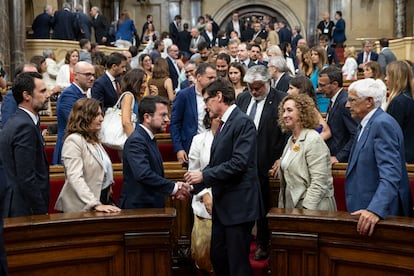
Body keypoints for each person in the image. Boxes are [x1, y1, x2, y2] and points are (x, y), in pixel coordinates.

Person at [184, 78, 262, 276]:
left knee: (237, 265)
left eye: (207, 100)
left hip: (238, 206)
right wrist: (192, 187)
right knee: (218, 257)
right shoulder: (224, 124)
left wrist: (203, 175)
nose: (205, 106)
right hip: (223, 205)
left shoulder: (242, 122)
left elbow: (238, 164)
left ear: (219, 97)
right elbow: (217, 164)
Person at [345, 78, 413, 236]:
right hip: (365, 209)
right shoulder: (367, 123)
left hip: (380, 216)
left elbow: (390, 174)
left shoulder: (382, 124)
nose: (347, 105)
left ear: (369, 101)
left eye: (352, 100)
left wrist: (375, 209)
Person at [236, 65, 286, 261]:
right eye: (251, 87)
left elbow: (287, 133)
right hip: (243, 162)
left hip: (267, 160)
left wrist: (281, 157)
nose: (254, 91)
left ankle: (263, 243)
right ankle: (244, 239)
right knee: (244, 204)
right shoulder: (243, 98)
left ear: (268, 82)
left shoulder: (281, 99)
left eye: (258, 87)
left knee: (264, 205)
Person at [119, 96, 190, 208]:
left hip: (150, 206)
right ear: (147, 117)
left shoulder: (148, 138)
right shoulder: (136, 140)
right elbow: (143, 174)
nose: (167, 120)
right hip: (139, 209)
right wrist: (174, 188)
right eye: (163, 115)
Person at [55, 98, 122, 213]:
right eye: (97, 115)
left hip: (101, 200)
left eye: (102, 114)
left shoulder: (94, 139)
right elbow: (75, 177)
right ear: (84, 117)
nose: (101, 119)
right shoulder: (73, 141)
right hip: (81, 207)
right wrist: (95, 204)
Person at [0, 72, 50, 217]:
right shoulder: (24, 126)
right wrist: (41, 211)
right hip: (23, 209)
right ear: (27, 95)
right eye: (42, 91)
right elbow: (26, 176)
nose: (48, 95)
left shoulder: (19, 121)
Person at [276, 94, 337, 211]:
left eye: (289, 110)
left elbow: (319, 182)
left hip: (313, 210)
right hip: (293, 209)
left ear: (302, 112)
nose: (285, 115)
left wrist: (305, 210)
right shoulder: (291, 140)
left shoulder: (313, 139)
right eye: (283, 111)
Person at [188, 114, 221, 274]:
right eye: (217, 118)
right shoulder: (199, 140)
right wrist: (206, 195)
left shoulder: (233, 138)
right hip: (203, 202)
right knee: (203, 255)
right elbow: (193, 171)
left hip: (227, 202)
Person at [170, 63, 217, 165]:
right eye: (210, 78)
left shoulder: (217, 96)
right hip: (191, 146)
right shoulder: (184, 95)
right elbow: (175, 123)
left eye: (215, 78)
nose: (213, 81)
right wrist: (179, 148)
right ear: (199, 77)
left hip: (213, 145)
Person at [53, 62, 95, 165]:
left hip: (81, 144)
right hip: (70, 147)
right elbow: (76, 122)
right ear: (75, 75)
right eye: (87, 74)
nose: (92, 78)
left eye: (93, 75)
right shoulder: (69, 95)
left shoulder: (83, 93)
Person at [318, 65, 357, 163]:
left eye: (322, 85)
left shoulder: (344, 103)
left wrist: (339, 157)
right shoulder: (334, 100)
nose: (318, 89)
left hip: (342, 161)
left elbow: (355, 134)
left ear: (335, 84)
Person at [385, 60, 414, 163]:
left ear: (395, 78)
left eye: (388, 75)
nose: (385, 79)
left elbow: (391, 134)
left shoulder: (398, 102)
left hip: (401, 156)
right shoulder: (407, 98)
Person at [286, 75, 331, 140]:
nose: (288, 92)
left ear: (301, 89)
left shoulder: (311, 109)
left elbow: (326, 132)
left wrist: (310, 144)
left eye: (291, 88)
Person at [119, 68, 146, 138]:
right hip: (131, 140)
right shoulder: (128, 96)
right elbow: (126, 122)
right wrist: (135, 141)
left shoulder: (138, 98)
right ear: (135, 82)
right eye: (143, 82)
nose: (145, 85)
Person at [311, 45, 329, 112]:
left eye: (315, 54)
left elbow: (325, 88)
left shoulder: (325, 69)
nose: (312, 56)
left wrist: (310, 91)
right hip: (315, 101)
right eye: (312, 54)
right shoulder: (316, 69)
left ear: (321, 55)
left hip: (323, 102)